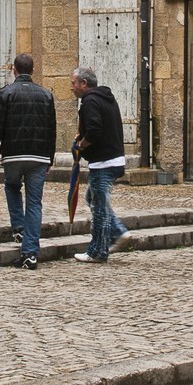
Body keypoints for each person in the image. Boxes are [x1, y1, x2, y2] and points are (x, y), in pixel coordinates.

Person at [0, 53, 56, 271]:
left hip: (13, 155)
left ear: (14, 70)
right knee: (34, 203)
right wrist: (49, 159)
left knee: (12, 187)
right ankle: (30, 253)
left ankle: (18, 227)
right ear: (32, 71)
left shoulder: (5, 93)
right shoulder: (46, 95)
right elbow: (52, 130)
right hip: (38, 156)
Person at [70, 67, 128, 263]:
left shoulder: (90, 101)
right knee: (93, 199)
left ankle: (97, 251)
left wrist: (81, 144)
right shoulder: (105, 97)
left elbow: (94, 129)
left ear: (84, 84)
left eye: (73, 83)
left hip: (104, 162)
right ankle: (118, 232)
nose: (72, 88)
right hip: (114, 158)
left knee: (99, 208)